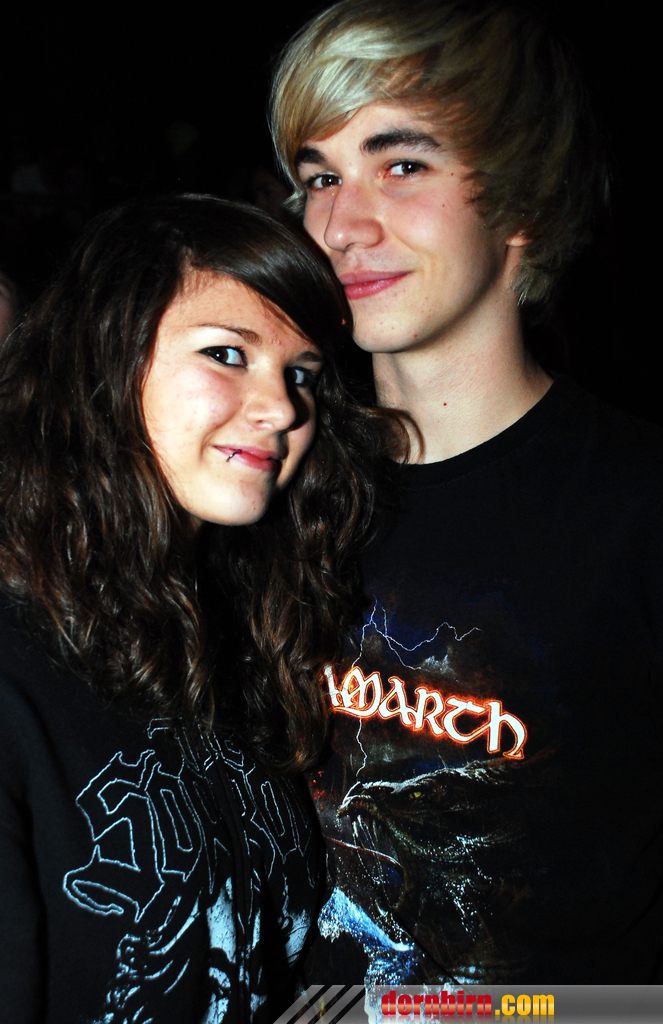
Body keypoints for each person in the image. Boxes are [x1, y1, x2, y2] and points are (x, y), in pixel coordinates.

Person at [269, 0, 663, 985]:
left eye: (401, 164)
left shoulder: (652, 511)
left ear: (519, 200)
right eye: (320, 176)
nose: (339, 224)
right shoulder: (267, 481)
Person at [0, 195, 403, 1021]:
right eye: (226, 353)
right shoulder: (16, 663)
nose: (284, 408)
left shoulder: (239, 636)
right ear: (106, 355)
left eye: (301, 374)